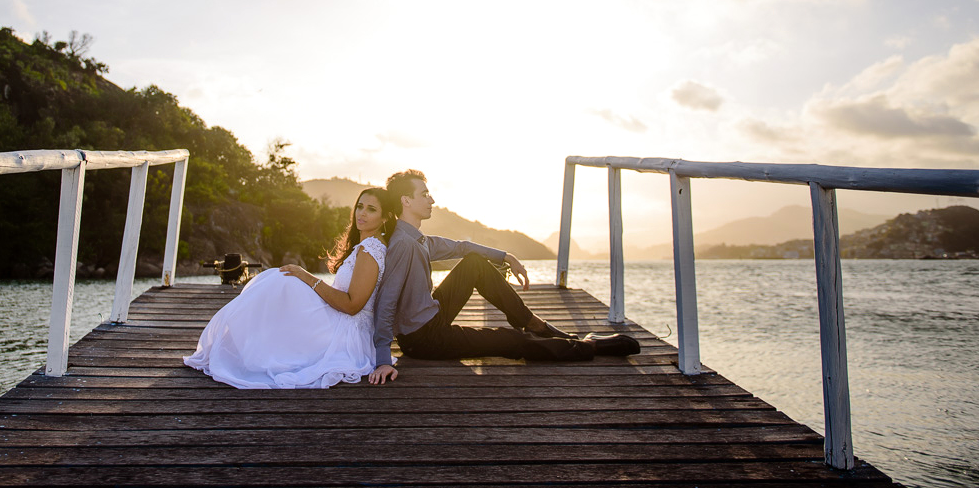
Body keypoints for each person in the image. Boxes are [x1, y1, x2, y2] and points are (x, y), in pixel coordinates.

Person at [369, 170, 639, 385]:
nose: (432, 200)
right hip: (424, 339)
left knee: (473, 263)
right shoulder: (403, 244)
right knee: (510, 341)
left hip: (432, 317)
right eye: (425, 194)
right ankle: (587, 347)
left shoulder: (418, 239)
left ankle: (529, 321)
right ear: (406, 200)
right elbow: (386, 302)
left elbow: (462, 247)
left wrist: (505, 256)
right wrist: (383, 359)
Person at [183, 187, 395, 388]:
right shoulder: (365, 247)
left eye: (371, 209)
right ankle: (240, 346)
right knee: (278, 279)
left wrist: (308, 278)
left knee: (282, 281)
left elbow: (352, 305)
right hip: (337, 316)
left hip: (346, 331)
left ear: (385, 218)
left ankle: (241, 348)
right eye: (360, 206)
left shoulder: (370, 250)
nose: (362, 213)